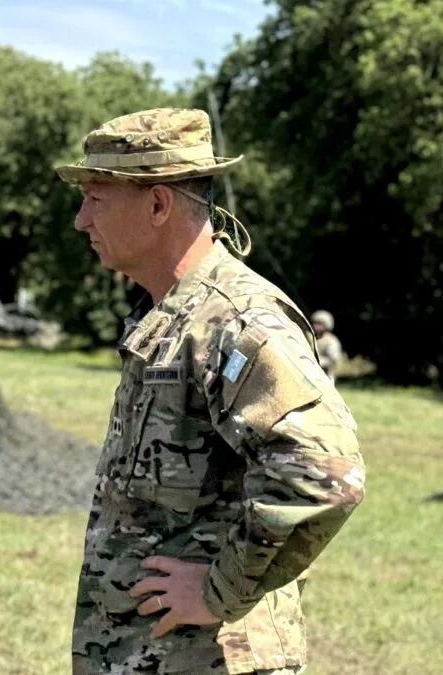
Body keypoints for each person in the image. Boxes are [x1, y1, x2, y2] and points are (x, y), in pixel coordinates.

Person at [55, 108, 365, 674]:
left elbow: (325, 470)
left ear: (157, 204)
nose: (80, 220)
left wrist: (220, 588)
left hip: (212, 656)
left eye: (95, 197)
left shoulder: (237, 319)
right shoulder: (170, 314)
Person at [311, 310, 344, 380]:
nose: (316, 326)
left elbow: (333, 360)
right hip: (311, 373)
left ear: (327, 324)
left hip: (326, 375)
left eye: (320, 324)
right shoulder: (311, 338)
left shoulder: (331, 341)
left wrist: (318, 362)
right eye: (315, 323)